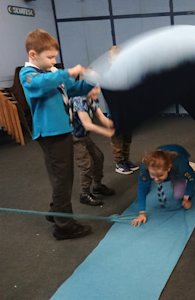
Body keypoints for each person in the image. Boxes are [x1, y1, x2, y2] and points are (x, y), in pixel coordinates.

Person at [19, 28, 96, 240]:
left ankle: (56, 211)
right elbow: (39, 85)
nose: (54, 60)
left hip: (62, 130)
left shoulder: (53, 72)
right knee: (62, 177)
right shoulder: (28, 74)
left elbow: (73, 87)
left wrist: (91, 79)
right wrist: (67, 72)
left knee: (62, 175)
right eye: (50, 57)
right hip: (50, 133)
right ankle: (64, 226)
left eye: (55, 57)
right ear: (33, 55)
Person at [70, 86, 116, 206]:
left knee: (98, 157)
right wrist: (108, 132)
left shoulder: (91, 99)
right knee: (86, 165)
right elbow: (88, 124)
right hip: (74, 138)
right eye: (95, 88)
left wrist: (119, 125)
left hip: (83, 136)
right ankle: (84, 194)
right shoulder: (79, 100)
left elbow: (102, 118)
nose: (98, 91)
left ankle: (97, 186)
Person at [131, 144, 195, 226]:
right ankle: (159, 175)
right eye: (153, 175)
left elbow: (192, 178)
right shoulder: (145, 167)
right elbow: (142, 187)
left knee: (178, 195)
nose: (156, 179)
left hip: (179, 154)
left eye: (160, 176)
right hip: (162, 154)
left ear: (168, 169)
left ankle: (190, 166)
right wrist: (142, 212)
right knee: (147, 183)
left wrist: (187, 197)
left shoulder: (180, 164)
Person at [107, 45, 139, 175]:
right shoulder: (109, 74)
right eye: (114, 59)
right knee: (117, 140)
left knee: (127, 138)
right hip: (115, 115)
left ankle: (126, 160)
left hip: (127, 113)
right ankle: (119, 162)